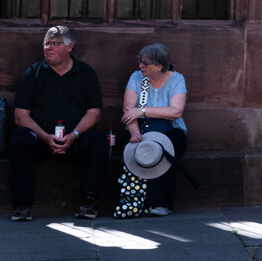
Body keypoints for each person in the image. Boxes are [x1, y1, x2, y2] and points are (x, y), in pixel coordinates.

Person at [8, 26, 105, 222]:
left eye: (55, 43)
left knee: (98, 141)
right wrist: (45, 137)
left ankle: (89, 202)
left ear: (69, 47)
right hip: (40, 140)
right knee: (20, 139)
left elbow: (94, 113)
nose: (48, 47)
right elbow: (20, 116)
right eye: (46, 43)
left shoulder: (86, 73)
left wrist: (74, 135)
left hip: (74, 139)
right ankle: (22, 207)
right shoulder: (32, 73)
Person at [120, 43, 189, 215]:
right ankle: (135, 204)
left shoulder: (176, 79)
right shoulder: (137, 77)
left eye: (145, 63)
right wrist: (135, 133)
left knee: (164, 148)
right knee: (135, 148)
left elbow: (176, 112)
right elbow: (129, 110)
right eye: (140, 61)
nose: (140, 66)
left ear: (159, 66)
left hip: (171, 131)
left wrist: (142, 111)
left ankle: (161, 203)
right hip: (140, 130)